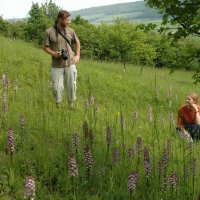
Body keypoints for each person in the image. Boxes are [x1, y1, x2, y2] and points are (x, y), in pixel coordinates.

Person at [43, 10, 80, 109]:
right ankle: (58, 106)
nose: (69, 22)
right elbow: (45, 47)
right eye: (67, 20)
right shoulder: (49, 31)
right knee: (56, 87)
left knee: (71, 86)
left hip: (70, 63)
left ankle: (71, 106)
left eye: (69, 20)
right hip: (57, 65)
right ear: (59, 19)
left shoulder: (71, 31)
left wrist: (77, 56)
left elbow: (77, 42)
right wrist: (54, 53)